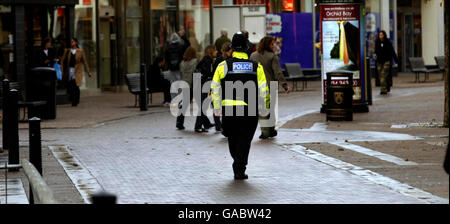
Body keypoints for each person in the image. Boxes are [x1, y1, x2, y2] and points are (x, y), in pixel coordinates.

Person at [211, 32, 270, 180]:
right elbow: (264, 89)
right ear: (247, 48)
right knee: (245, 139)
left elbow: (215, 88)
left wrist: (217, 107)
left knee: (233, 139)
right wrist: (265, 107)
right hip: (250, 109)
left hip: (229, 110)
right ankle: (239, 166)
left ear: (232, 49)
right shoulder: (256, 67)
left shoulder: (223, 66)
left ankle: (238, 164)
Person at [250, 36, 290, 139]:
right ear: (267, 45)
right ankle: (268, 131)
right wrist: (284, 85)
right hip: (270, 85)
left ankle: (268, 130)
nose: (273, 46)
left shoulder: (253, 56)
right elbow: (278, 72)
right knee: (271, 108)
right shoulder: (272, 56)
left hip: (257, 86)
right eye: (272, 44)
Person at [60, 37, 92, 107]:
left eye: (73, 41)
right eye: (71, 42)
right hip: (69, 70)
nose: (71, 43)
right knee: (71, 85)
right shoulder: (67, 51)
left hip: (77, 71)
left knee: (75, 85)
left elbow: (85, 62)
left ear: (76, 43)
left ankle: (75, 101)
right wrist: (62, 70)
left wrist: (88, 72)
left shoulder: (80, 51)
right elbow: (62, 61)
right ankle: (73, 100)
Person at [194, 45, 217, 133]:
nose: (216, 52)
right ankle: (198, 126)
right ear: (211, 51)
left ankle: (206, 124)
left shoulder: (204, 60)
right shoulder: (208, 61)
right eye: (215, 50)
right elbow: (208, 74)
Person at [177, 47, 198, 130]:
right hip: (192, 84)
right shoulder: (195, 61)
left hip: (184, 84)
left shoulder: (182, 63)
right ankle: (203, 123)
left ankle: (179, 122)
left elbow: (181, 73)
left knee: (184, 105)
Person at [375, 30, 398, 95]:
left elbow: (392, 51)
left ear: (384, 35)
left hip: (386, 61)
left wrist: (396, 60)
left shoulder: (388, 42)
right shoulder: (377, 42)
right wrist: (375, 57)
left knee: (383, 75)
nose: (380, 36)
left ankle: (383, 89)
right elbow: (375, 51)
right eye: (379, 35)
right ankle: (386, 86)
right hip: (379, 61)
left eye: (382, 35)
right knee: (380, 76)